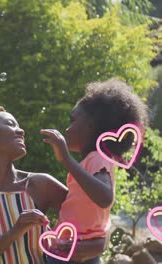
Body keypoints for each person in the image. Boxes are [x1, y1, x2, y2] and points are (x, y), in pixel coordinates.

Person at [0, 106, 106, 264]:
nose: (21, 131)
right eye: (10, 124)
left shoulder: (41, 184)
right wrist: (15, 231)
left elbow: (93, 218)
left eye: (18, 126)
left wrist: (98, 245)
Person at [40, 78, 149, 264]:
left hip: (77, 251)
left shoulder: (97, 158)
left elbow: (105, 197)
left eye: (72, 120)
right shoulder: (91, 161)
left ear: (91, 126)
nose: (67, 128)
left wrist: (66, 159)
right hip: (75, 247)